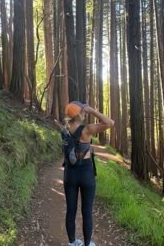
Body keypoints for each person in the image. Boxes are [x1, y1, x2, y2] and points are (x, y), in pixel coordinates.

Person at [63, 101, 115, 246]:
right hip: (86, 173)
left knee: (70, 211)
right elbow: (110, 123)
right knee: (87, 212)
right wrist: (93, 111)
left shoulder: (65, 129)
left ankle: (72, 243)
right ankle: (87, 244)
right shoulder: (87, 130)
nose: (85, 113)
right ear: (78, 114)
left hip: (69, 174)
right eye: (83, 111)